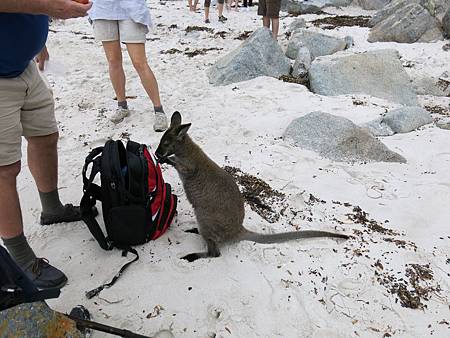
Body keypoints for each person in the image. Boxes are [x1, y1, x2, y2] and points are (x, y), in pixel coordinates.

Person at [0, 0, 92, 290]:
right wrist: (51, 6)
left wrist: (40, 42)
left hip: (24, 67)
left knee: (45, 137)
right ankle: (21, 258)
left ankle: (51, 209)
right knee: (4, 170)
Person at [89, 0, 169, 131]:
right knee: (113, 61)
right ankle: (122, 106)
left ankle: (159, 110)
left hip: (131, 8)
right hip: (102, 8)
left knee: (139, 62)